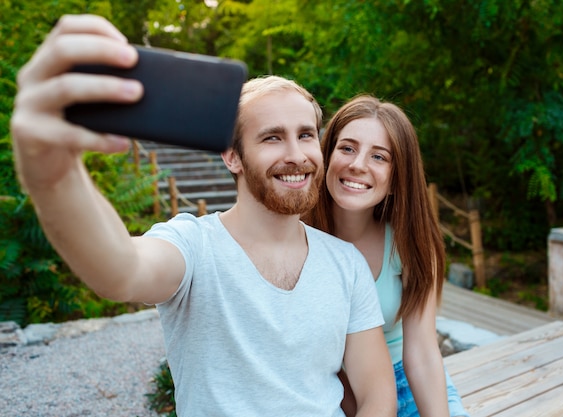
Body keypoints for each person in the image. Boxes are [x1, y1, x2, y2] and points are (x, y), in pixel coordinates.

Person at [10, 15, 397, 417]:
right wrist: (54, 174)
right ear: (232, 156)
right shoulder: (193, 246)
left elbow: (377, 397)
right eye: (271, 137)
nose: (297, 155)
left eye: (305, 135)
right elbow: (119, 270)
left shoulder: (346, 264)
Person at [304, 95, 470, 417]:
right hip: (323, 394)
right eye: (347, 148)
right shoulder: (294, 237)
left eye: (379, 157)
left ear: (396, 179)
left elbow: (422, 351)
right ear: (327, 155)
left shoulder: (408, 243)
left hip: (402, 384)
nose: (358, 164)